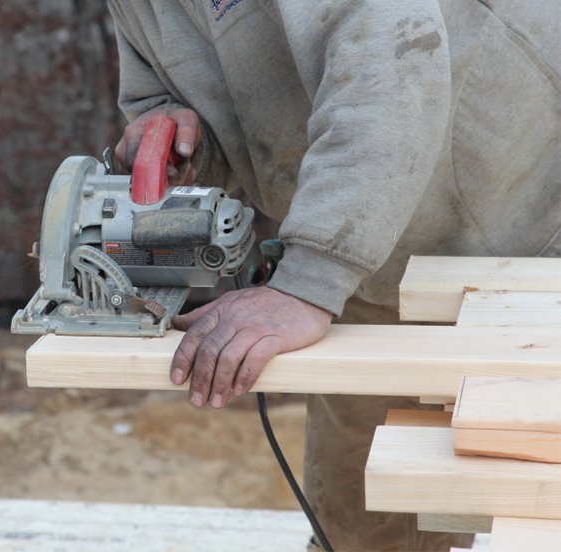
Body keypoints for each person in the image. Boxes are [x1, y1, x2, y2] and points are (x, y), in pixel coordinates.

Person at [108, 1, 560, 550]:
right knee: (364, 520)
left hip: (533, 235)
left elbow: (394, 63)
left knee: (539, 497)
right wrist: (185, 147)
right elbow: (169, 92)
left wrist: (310, 279)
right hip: (372, 250)